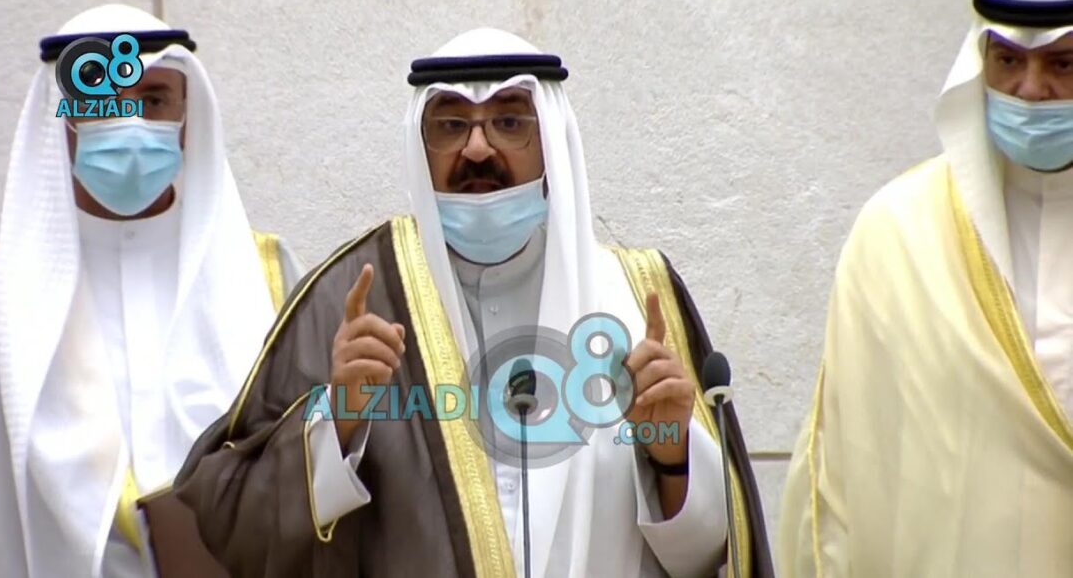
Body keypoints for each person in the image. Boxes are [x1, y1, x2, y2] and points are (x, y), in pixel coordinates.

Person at [174, 28, 774, 578]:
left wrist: (672, 458)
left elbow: (715, 554)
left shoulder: (638, 297)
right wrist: (339, 422)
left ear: (552, 142)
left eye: (509, 122)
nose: (479, 149)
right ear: (421, 144)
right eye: (451, 125)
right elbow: (231, 520)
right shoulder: (352, 296)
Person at [0, 4, 303, 578]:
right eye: (102, 100)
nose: (130, 122)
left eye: (154, 98)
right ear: (61, 116)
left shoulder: (265, 277)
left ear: (186, 114)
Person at [777, 0, 1073, 576]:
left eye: (1062, 64)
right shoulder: (897, 232)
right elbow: (841, 474)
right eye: (1008, 60)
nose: (1030, 90)